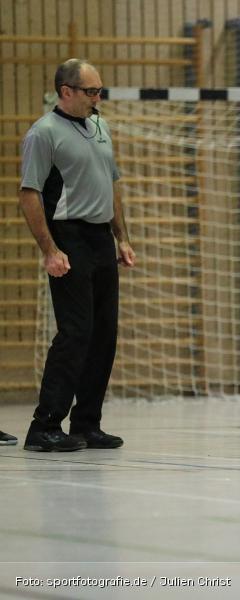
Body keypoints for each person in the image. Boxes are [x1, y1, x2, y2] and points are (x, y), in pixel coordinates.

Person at [18, 59, 135, 452]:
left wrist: (122, 238)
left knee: (104, 333)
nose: (97, 97)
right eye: (90, 91)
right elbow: (29, 194)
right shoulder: (44, 133)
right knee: (75, 332)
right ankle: (45, 425)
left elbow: (111, 184)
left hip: (100, 238)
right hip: (68, 237)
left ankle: (87, 423)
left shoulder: (100, 126)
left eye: (99, 90)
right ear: (65, 91)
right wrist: (50, 249)